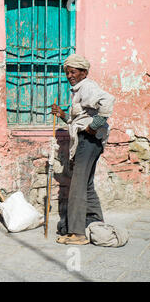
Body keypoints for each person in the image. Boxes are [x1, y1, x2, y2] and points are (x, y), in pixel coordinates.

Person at [51, 54, 115, 245]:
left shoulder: (87, 86)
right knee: (86, 184)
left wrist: (95, 125)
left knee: (77, 185)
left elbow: (108, 101)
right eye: (67, 72)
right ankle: (95, 222)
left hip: (88, 140)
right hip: (86, 140)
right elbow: (78, 121)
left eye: (73, 72)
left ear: (83, 72)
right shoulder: (77, 90)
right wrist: (63, 115)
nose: (69, 75)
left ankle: (77, 233)